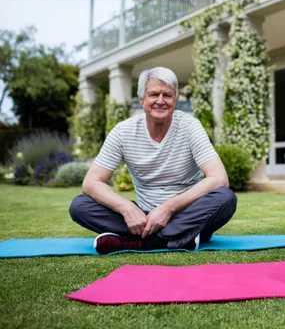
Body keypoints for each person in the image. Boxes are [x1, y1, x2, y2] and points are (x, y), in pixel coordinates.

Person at [69, 67, 236, 254]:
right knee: (79, 206)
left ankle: (135, 243)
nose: (160, 101)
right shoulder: (123, 131)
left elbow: (219, 179)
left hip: (187, 213)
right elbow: (91, 183)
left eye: (168, 95)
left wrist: (168, 208)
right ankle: (182, 238)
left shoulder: (190, 126)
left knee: (225, 198)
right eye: (154, 94)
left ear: (175, 100)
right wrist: (126, 209)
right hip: (143, 216)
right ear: (141, 99)